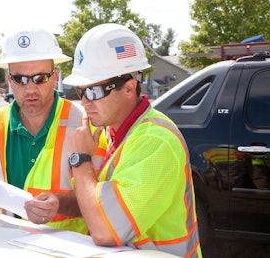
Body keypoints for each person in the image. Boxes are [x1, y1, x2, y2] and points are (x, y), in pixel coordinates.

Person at [0, 27, 106, 234]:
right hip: (10, 244)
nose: (30, 89)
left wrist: (60, 204)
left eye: (39, 78)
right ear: (9, 79)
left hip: (71, 247)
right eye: (20, 79)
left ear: (54, 77)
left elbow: (101, 199)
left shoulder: (86, 123)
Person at [63, 23, 202, 257]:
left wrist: (80, 159)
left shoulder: (157, 141)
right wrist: (57, 204)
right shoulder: (113, 131)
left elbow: (106, 231)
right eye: (81, 91)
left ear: (129, 88)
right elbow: (98, 200)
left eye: (94, 91)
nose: (85, 102)